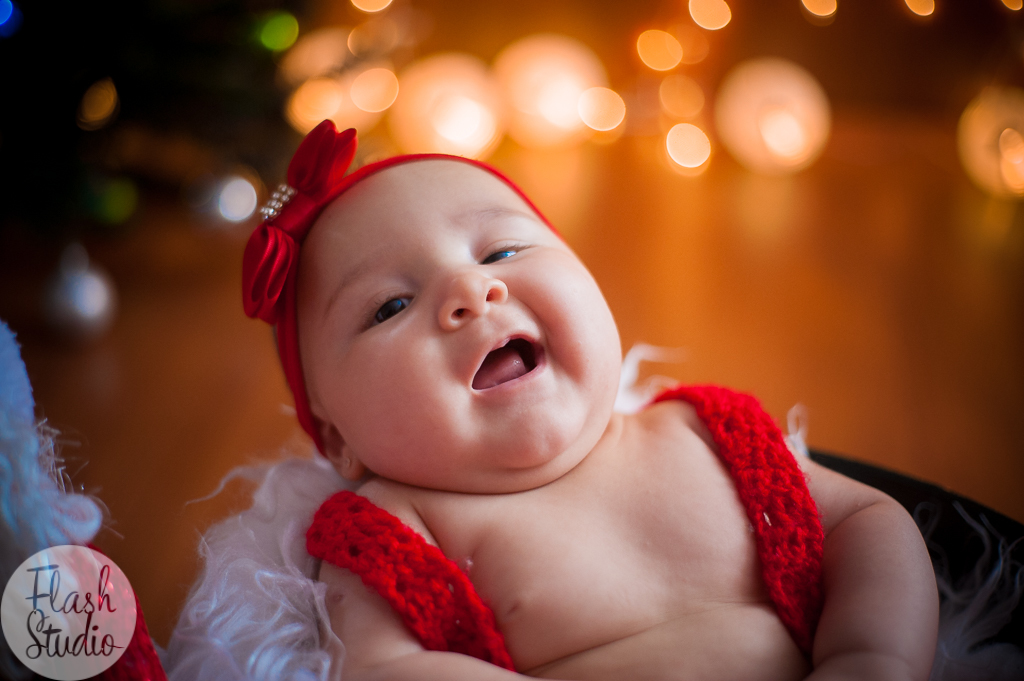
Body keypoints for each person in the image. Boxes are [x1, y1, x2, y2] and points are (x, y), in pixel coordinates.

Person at [235, 120, 939, 681]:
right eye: (390, 305)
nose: (471, 290)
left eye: (501, 252)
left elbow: (865, 519)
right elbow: (383, 669)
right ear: (336, 438)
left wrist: (868, 655)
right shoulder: (399, 526)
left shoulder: (702, 430)